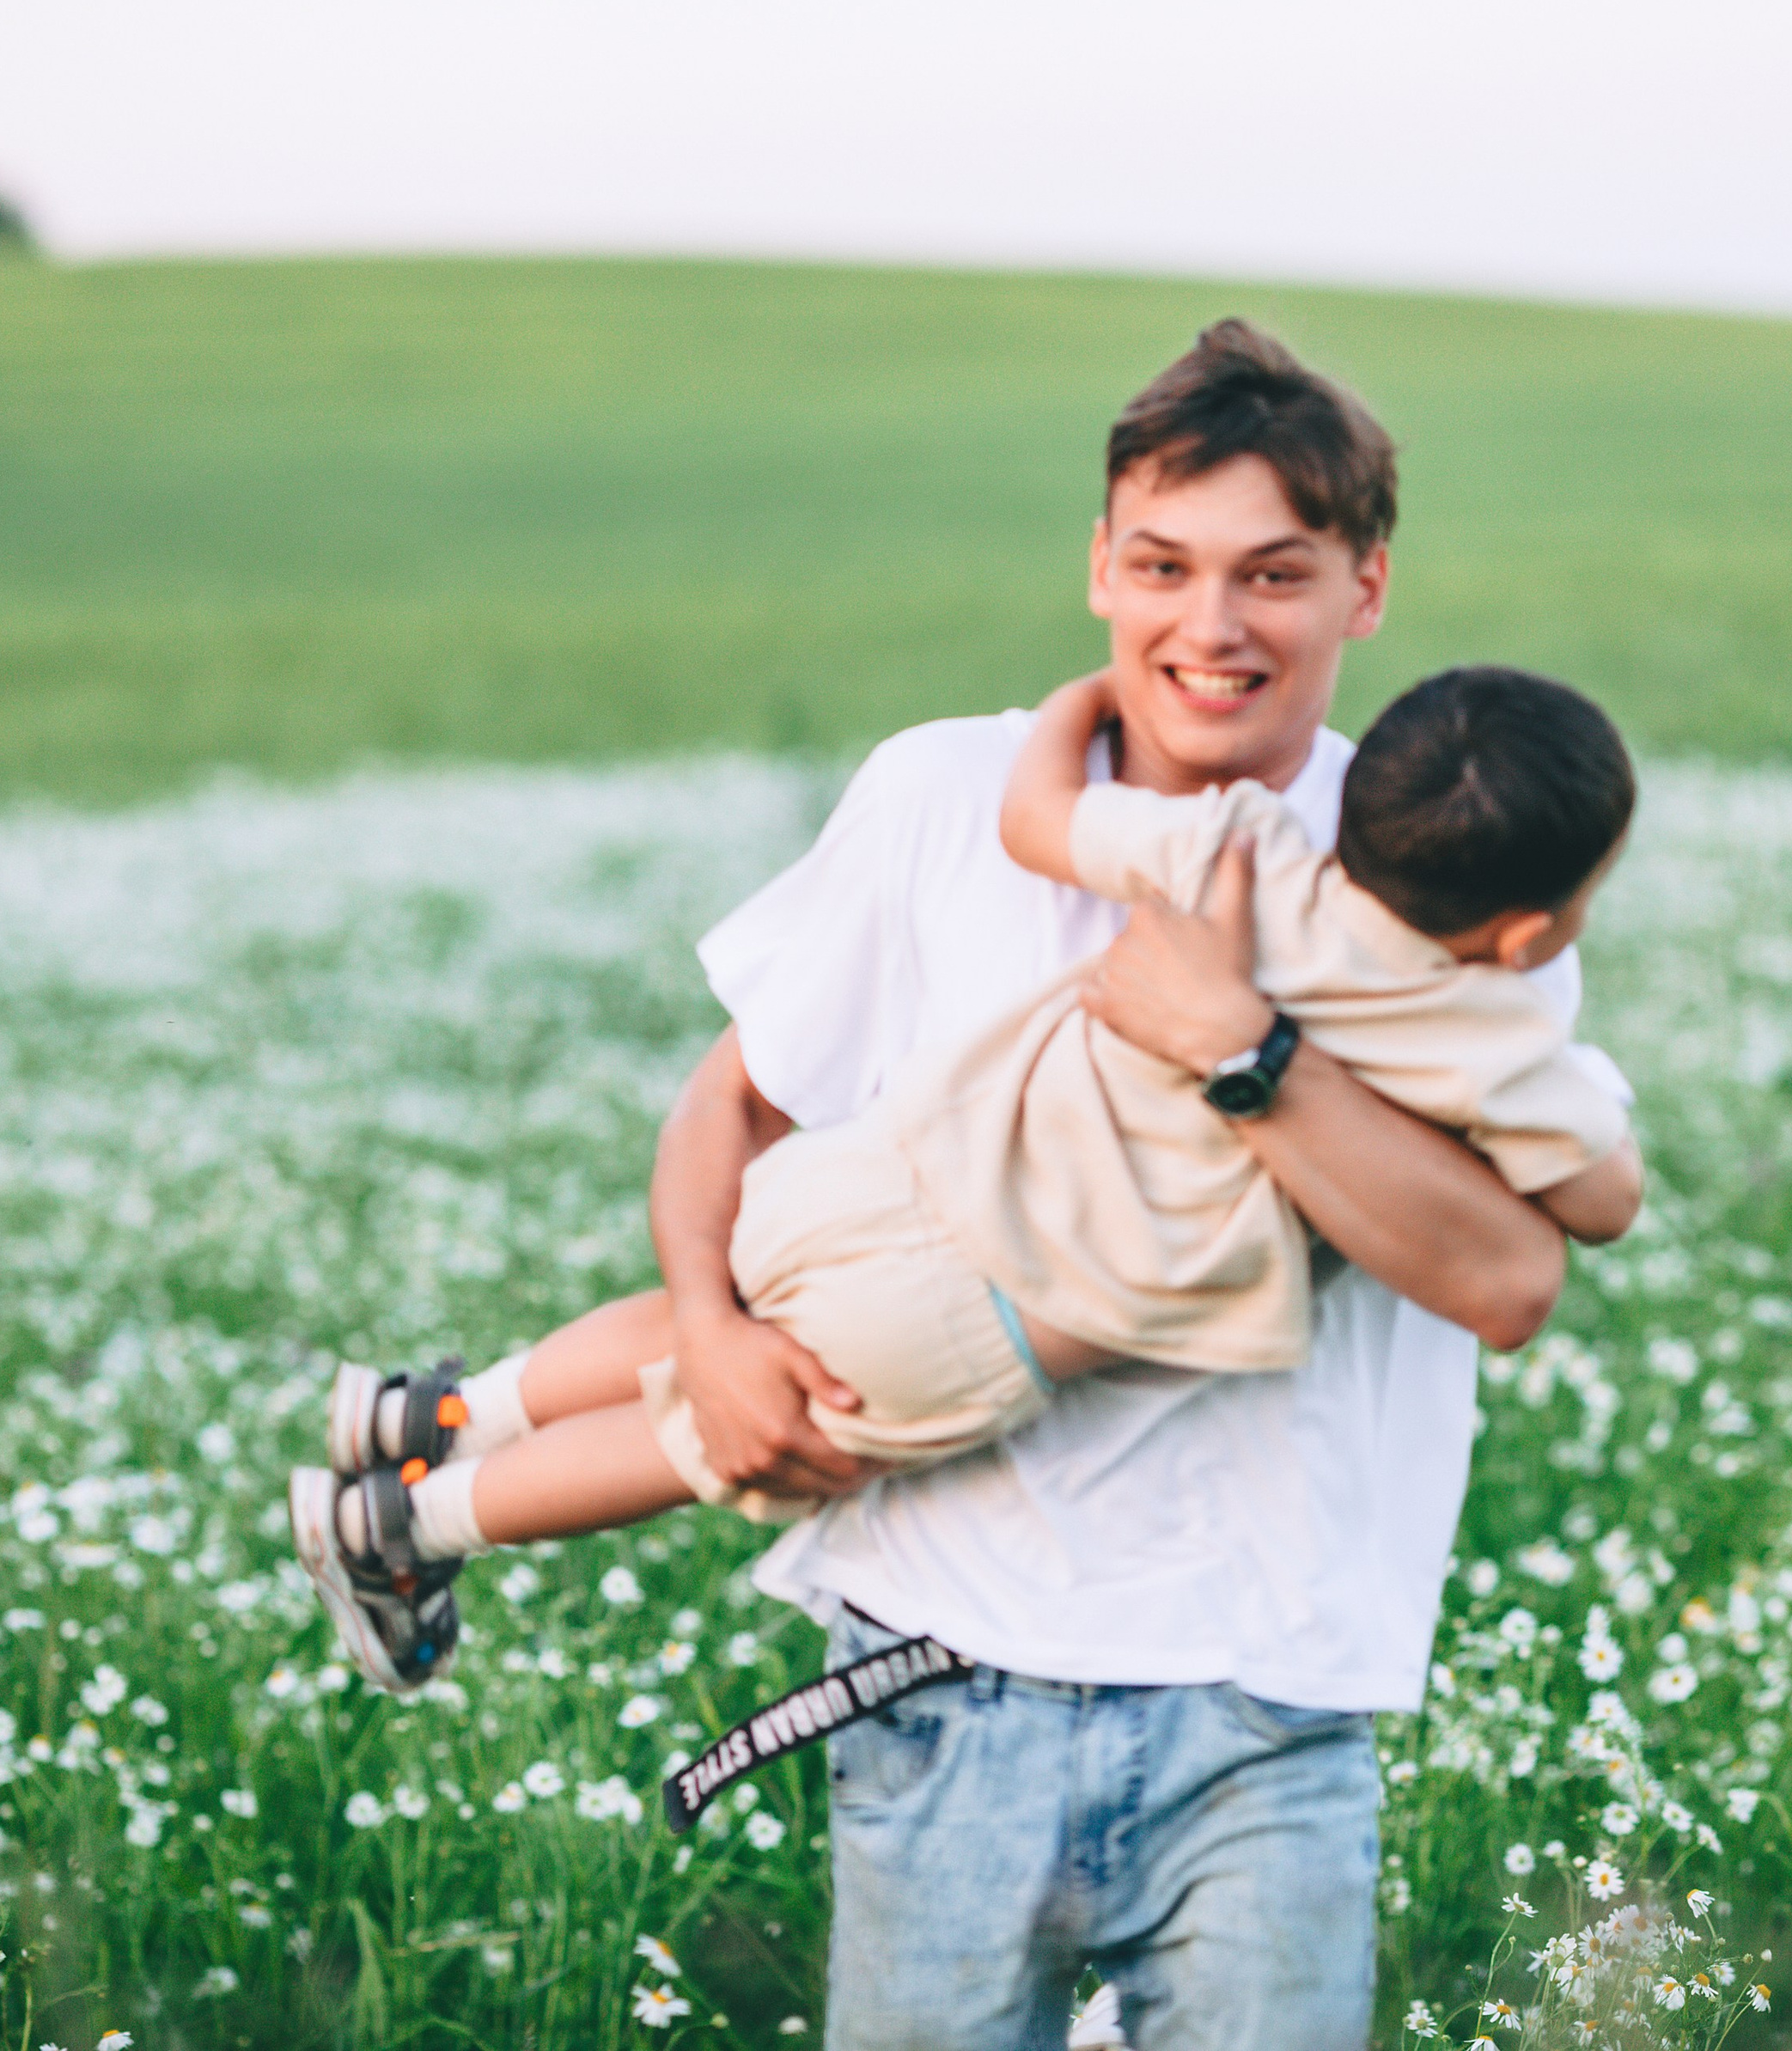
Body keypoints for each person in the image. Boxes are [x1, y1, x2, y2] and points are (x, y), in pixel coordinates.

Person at [308, 319, 1612, 2049]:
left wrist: (1244, 1048)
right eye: (1161, 566)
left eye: (1271, 575)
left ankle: (434, 1467)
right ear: (1098, 566)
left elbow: (1505, 1276)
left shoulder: (1447, 867)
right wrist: (705, 1332)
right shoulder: (944, 795)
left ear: (1364, 587)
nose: (1207, 625)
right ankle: (436, 1453)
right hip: (944, 1669)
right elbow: (730, 1114)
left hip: (1267, 1691)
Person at [290, 656, 1640, 1613]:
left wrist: (1083, 703)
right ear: (1529, 930)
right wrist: (1565, 1101)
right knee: (689, 1439)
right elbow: (1598, 1202)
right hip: (982, 1314)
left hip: (900, 1162)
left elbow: (1035, 818)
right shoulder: (1485, 1029)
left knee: (712, 1317)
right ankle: (405, 1524)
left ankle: (445, 1409)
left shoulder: (1239, 850)